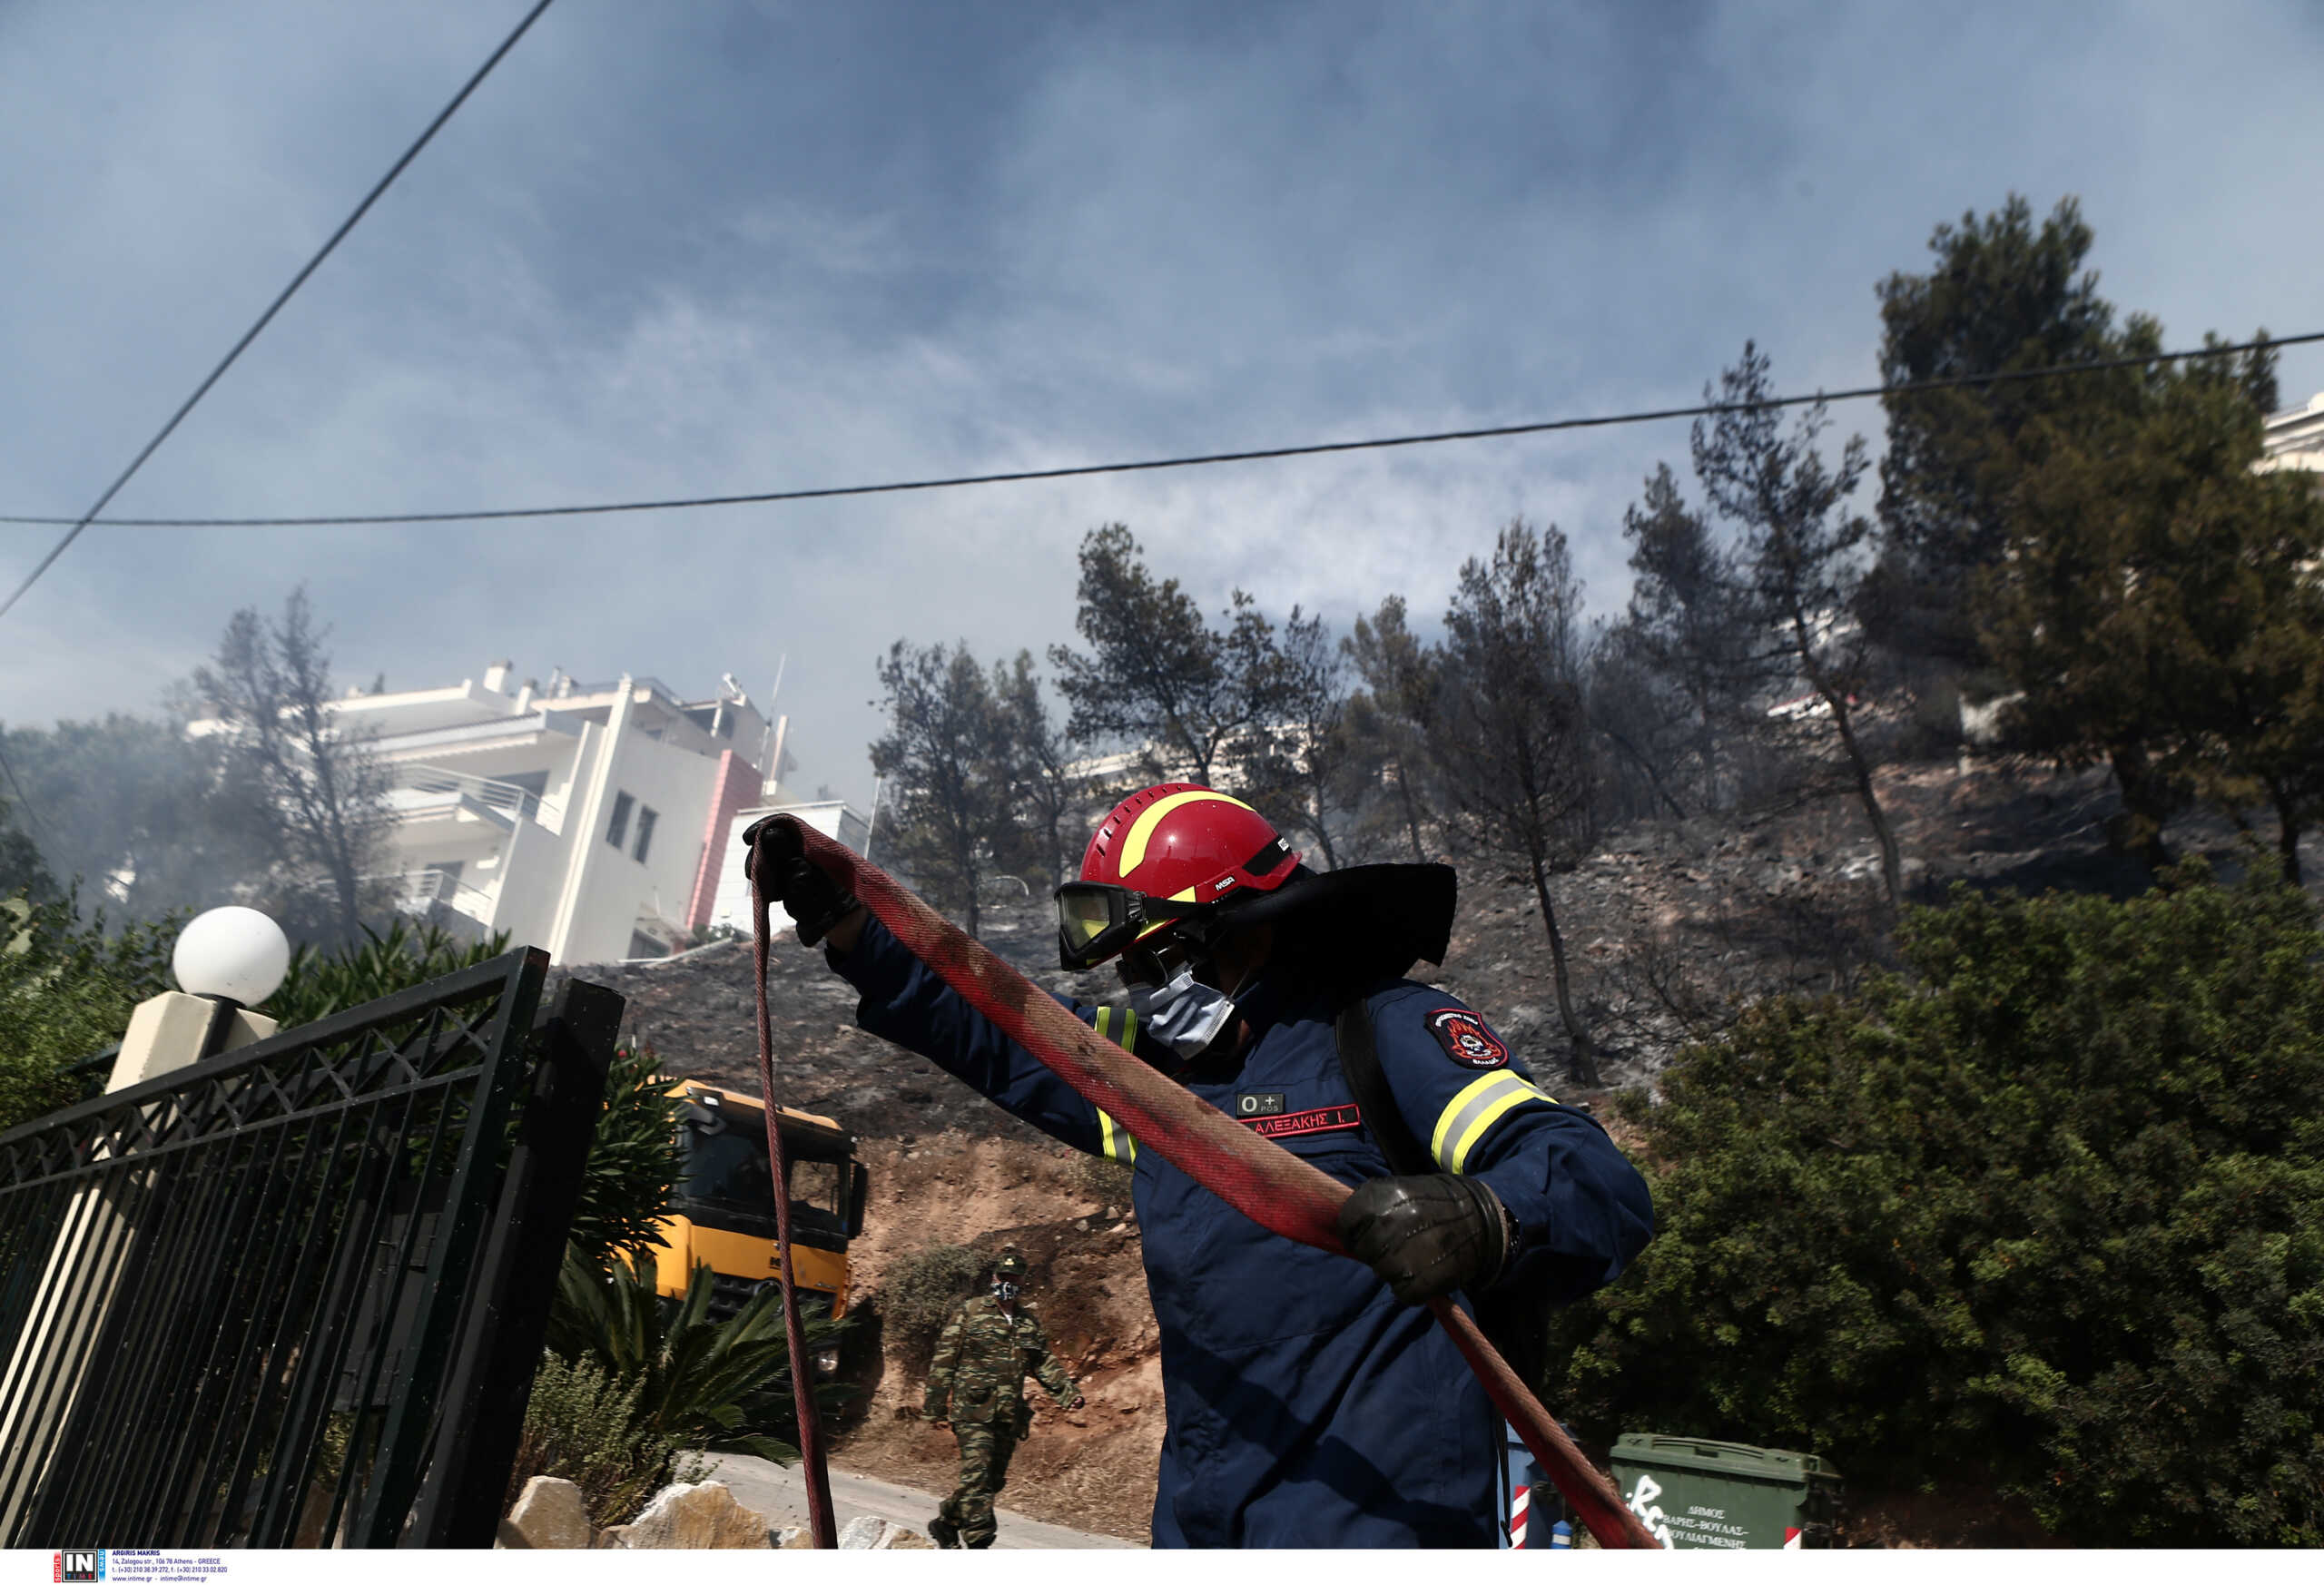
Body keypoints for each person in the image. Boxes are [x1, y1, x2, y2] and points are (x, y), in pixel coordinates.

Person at [745, 783, 1653, 1548]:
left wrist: (1486, 1217)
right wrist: (851, 922)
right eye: (1131, 972)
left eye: (1159, 959)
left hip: (1379, 1519)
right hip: (1202, 1517)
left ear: (1247, 926)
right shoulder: (1164, 1087)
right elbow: (1000, 1030)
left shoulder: (1381, 1034)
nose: (1144, 993)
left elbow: (1590, 1180)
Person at [921, 1249, 1084, 1550]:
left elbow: (1042, 1361)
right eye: (1002, 1277)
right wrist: (934, 1407)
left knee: (988, 1482)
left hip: (1008, 1415)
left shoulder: (1027, 1322)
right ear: (993, 1278)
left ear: (1022, 1281)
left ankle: (946, 1523)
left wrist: (1067, 1394)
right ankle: (979, 1543)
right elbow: (944, 1359)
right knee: (979, 1478)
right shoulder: (970, 1312)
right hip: (972, 1411)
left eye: (1013, 1278)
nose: (1006, 1283)